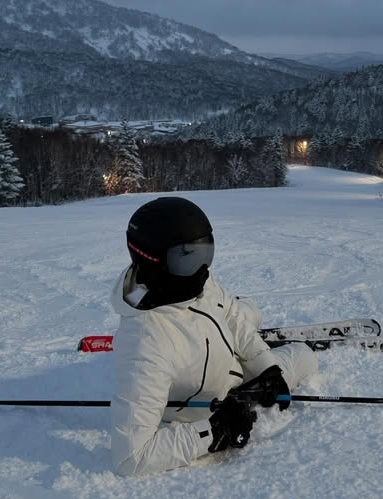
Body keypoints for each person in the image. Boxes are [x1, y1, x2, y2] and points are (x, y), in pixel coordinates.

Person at [110, 196, 318, 477]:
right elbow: (131, 459)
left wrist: (265, 366)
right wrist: (214, 431)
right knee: (304, 354)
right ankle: (249, 330)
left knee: (245, 311)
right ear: (153, 260)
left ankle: (252, 326)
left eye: (204, 253)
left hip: (226, 357)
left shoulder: (194, 280)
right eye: (187, 256)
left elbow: (230, 313)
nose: (203, 270)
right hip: (217, 399)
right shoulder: (145, 346)